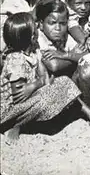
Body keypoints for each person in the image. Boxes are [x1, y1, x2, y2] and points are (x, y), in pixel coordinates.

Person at [0, 12, 81, 142]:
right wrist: (38, 83)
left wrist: (39, 83)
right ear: (32, 36)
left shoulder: (34, 50)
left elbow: (45, 78)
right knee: (47, 98)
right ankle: (14, 125)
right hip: (9, 109)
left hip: (28, 100)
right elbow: (18, 95)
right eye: (35, 27)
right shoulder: (16, 59)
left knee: (65, 82)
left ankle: (27, 123)